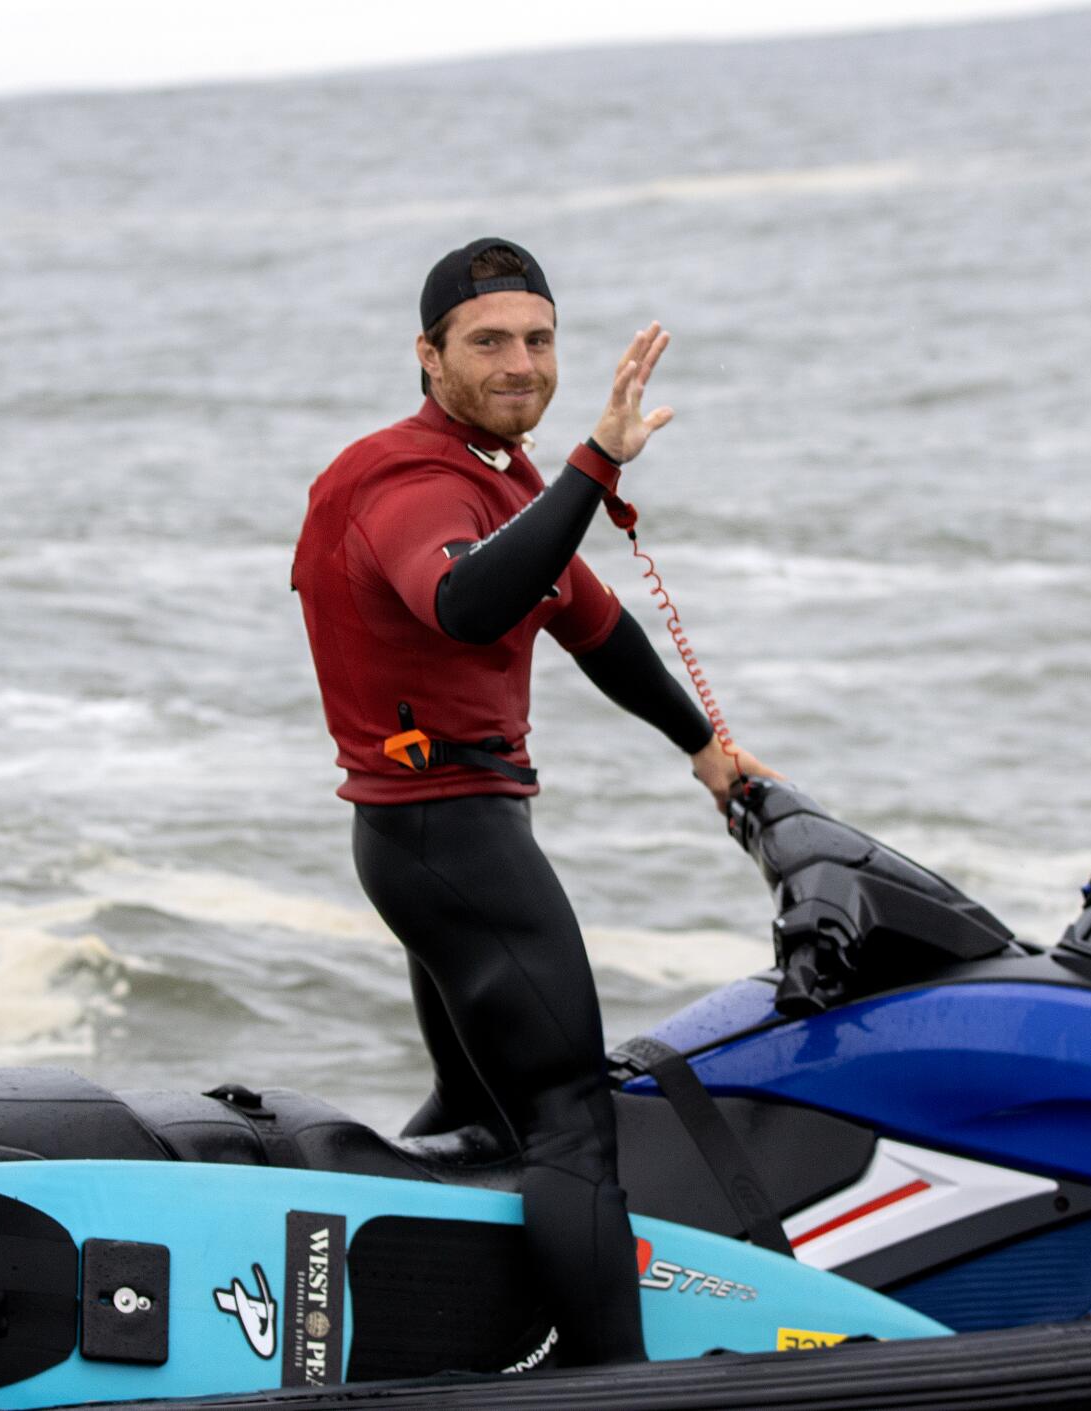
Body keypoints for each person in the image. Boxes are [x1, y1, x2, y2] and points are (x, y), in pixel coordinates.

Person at [289, 237, 777, 1366]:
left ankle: (401, 1317)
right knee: (567, 1119)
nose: (521, 362)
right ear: (427, 355)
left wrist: (705, 748)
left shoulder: (499, 477)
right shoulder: (404, 481)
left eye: (538, 338)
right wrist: (595, 464)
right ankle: (608, 1379)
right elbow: (464, 600)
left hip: (436, 834)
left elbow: (594, 626)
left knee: (474, 1109)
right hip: (446, 834)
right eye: (488, 341)